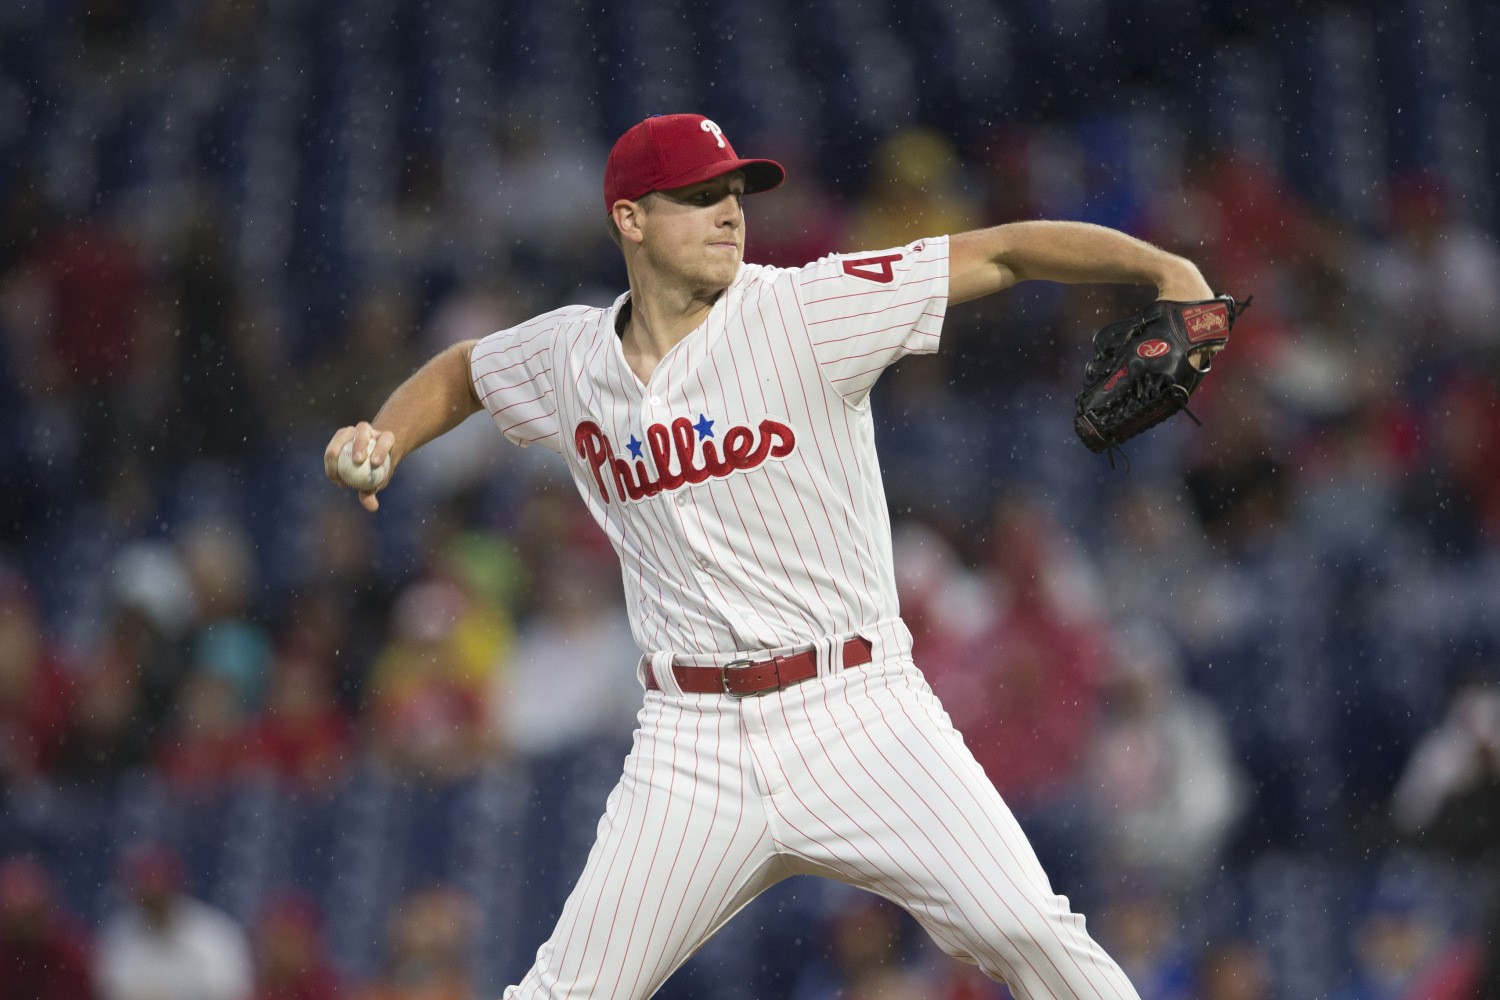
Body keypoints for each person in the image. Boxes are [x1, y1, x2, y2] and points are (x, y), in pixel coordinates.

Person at [324, 112, 1217, 1000]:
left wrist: (1161, 268)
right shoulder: (569, 355)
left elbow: (1005, 251)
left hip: (858, 710)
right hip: (691, 741)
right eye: (699, 196)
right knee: (564, 992)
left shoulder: (808, 308)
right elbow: (467, 372)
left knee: (1032, 934)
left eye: (735, 194)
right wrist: (388, 435)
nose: (729, 213)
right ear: (629, 219)